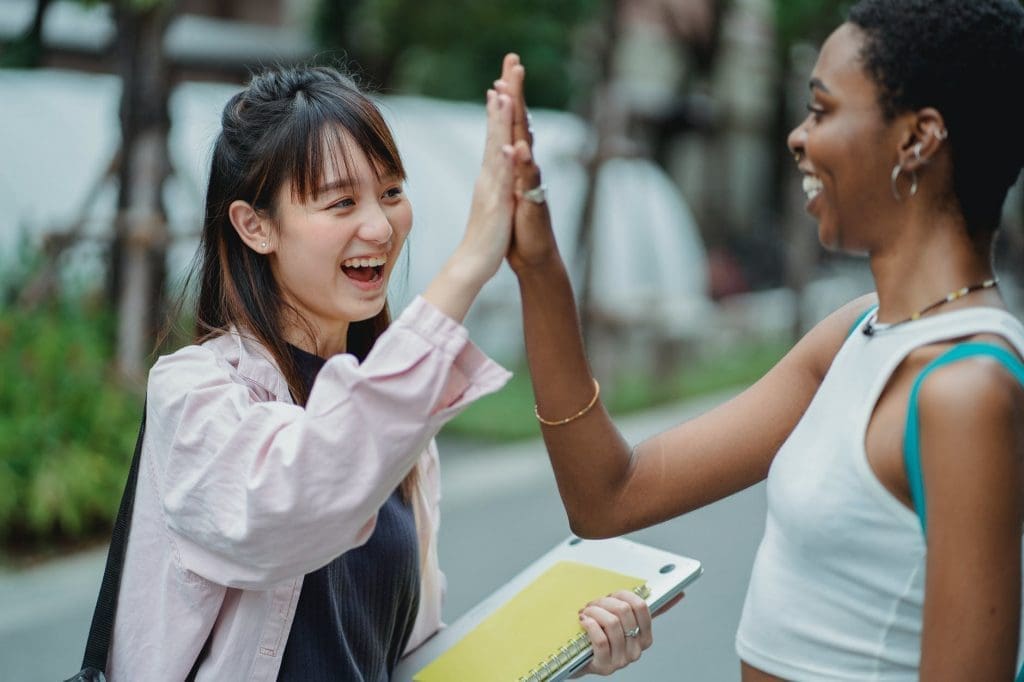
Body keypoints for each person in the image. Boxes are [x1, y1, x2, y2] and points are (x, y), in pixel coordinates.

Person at [497, 0, 1024, 678]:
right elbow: (609, 495)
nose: (798, 137)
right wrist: (539, 267)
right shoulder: (856, 335)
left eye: (824, 110)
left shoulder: (966, 389)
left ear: (917, 139)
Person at [106, 64, 649, 680]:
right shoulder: (194, 394)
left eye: (391, 192)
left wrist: (562, 644)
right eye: (342, 202)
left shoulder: (400, 423)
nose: (379, 226)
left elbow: (398, 662)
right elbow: (298, 500)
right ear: (254, 226)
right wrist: (473, 257)